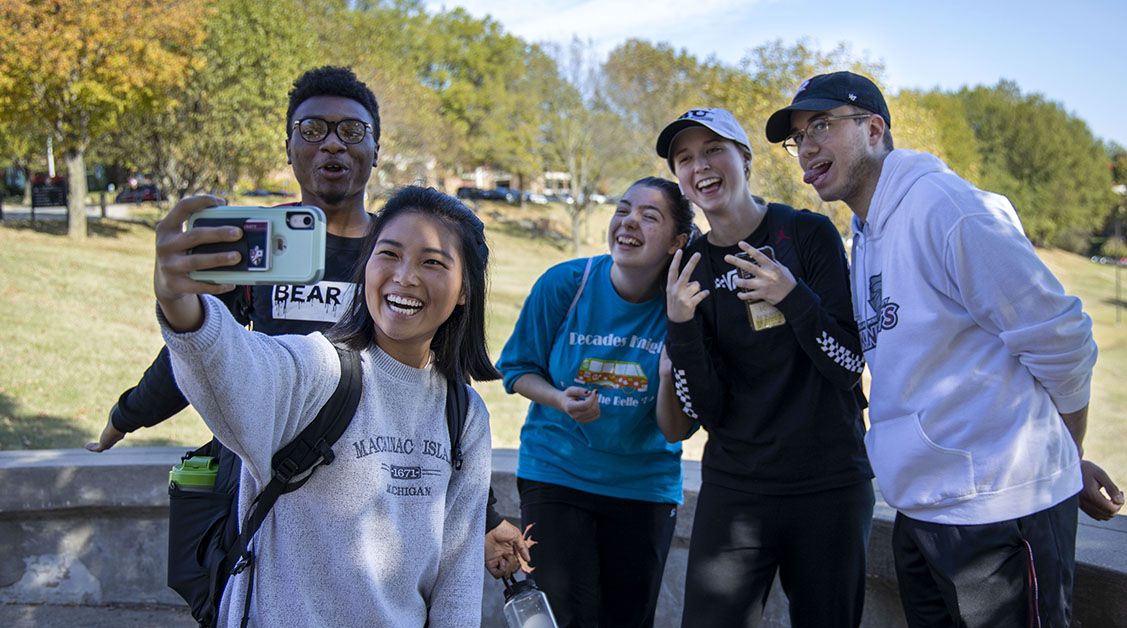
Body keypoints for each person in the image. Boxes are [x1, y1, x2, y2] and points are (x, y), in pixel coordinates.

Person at [86, 65, 530, 577]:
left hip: (374, 482)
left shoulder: (398, 258)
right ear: (291, 148)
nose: (333, 145)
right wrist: (126, 415)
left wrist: (486, 513)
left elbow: (437, 386)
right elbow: (203, 350)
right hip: (273, 474)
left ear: (376, 150)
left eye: (352, 131)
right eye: (313, 130)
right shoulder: (257, 249)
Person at [765, 70, 1126, 627]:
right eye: (797, 138)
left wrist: (1065, 455)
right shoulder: (865, 230)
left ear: (874, 128)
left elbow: (1062, 338)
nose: (806, 147)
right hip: (922, 513)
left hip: (1000, 517)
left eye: (821, 125)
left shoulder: (947, 209)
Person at [153, 186, 496, 627]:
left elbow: (458, 586)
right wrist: (181, 305)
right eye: (388, 254)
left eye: (433, 262)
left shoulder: (465, 415)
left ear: (464, 289)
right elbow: (231, 367)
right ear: (366, 266)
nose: (405, 276)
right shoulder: (318, 369)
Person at [655, 108, 875, 628]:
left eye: (713, 150)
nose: (700, 165)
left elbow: (848, 366)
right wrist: (682, 325)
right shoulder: (689, 265)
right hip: (737, 490)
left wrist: (793, 297)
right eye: (685, 159)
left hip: (828, 485)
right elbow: (703, 408)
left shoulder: (807, 233)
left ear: (745, 159)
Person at [495, 177, 694, 628]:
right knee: (560, 618)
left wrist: (667, 375)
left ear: (676, 242)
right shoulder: (566, 284)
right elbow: (517, 370)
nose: (628, 222)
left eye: (650, 216)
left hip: (642, 485)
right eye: (623, 209)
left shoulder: (682, 308)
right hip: (557, 471)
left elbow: (674, 429)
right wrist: (560, 400)